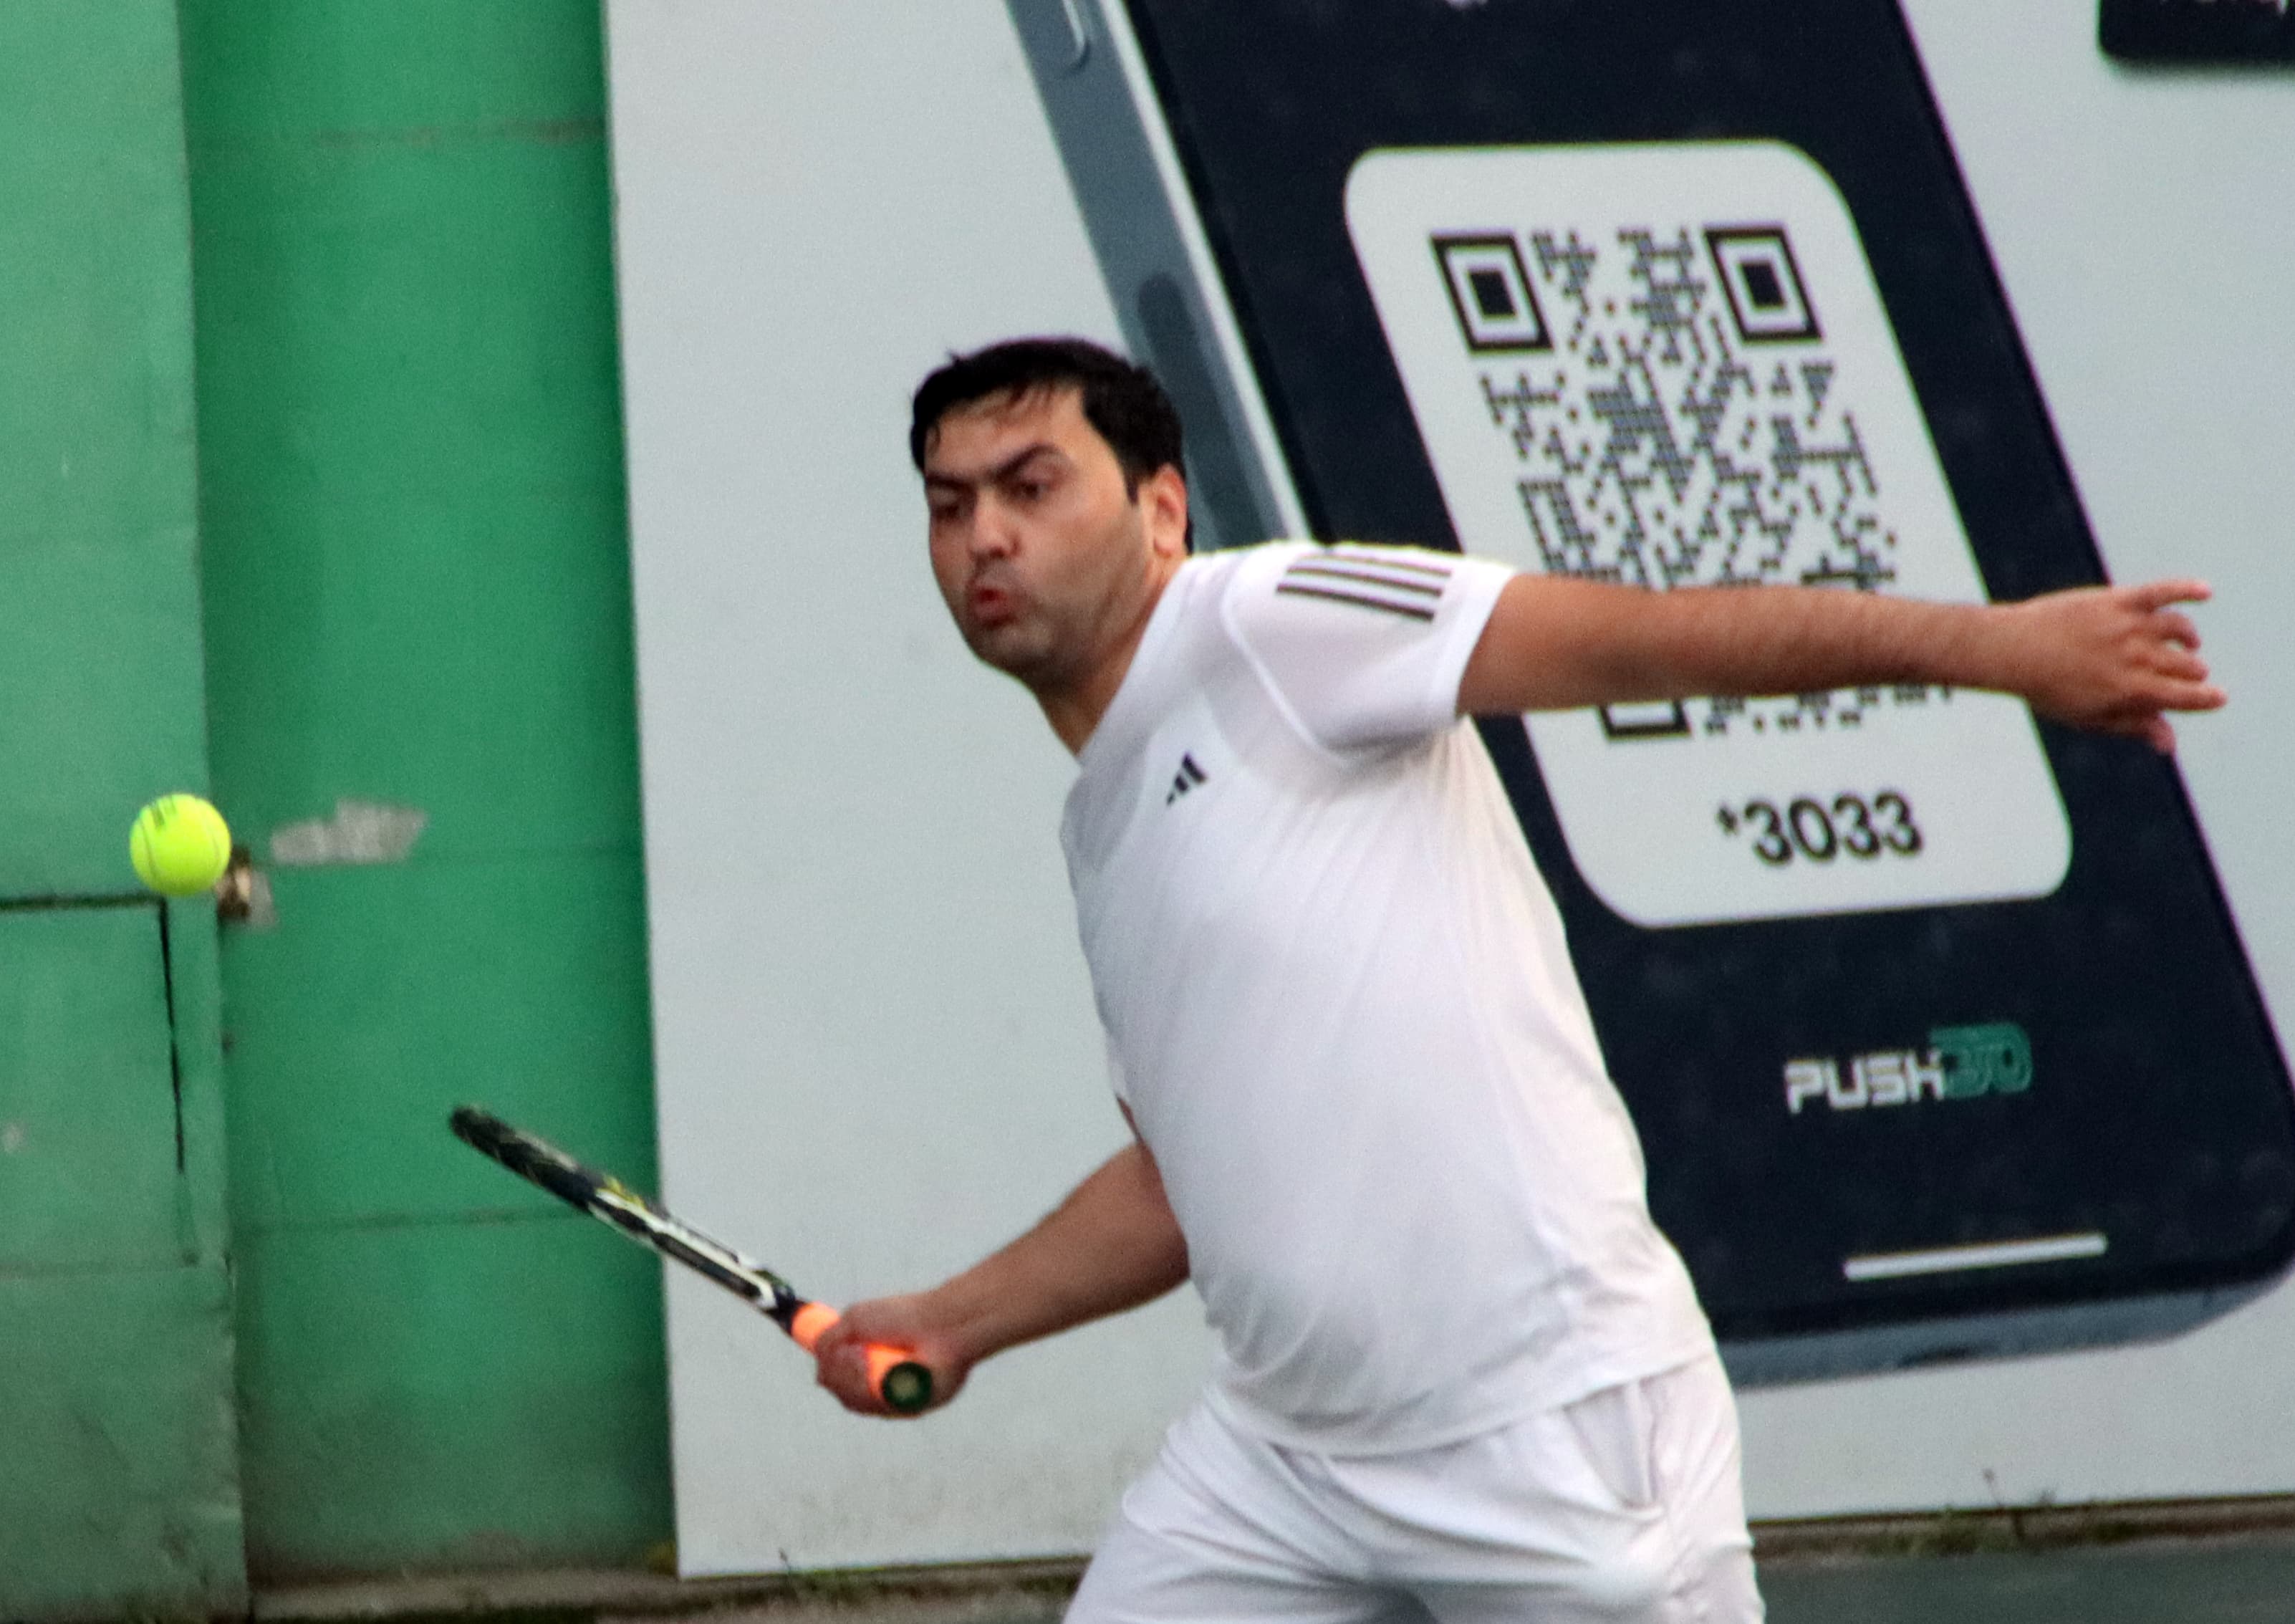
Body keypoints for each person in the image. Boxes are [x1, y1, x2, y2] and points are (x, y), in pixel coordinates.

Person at [811, 337, 2223, 1624]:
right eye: (950, 504)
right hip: (1287, 1460)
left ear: (1162, 510)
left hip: (1553, 1430)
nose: (986, 534)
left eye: (1033, 486)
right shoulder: (1104, 833)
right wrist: (955, 1318)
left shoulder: (1271, 624)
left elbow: (1646, 640)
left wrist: (1999, 649)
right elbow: (1188, 1178)